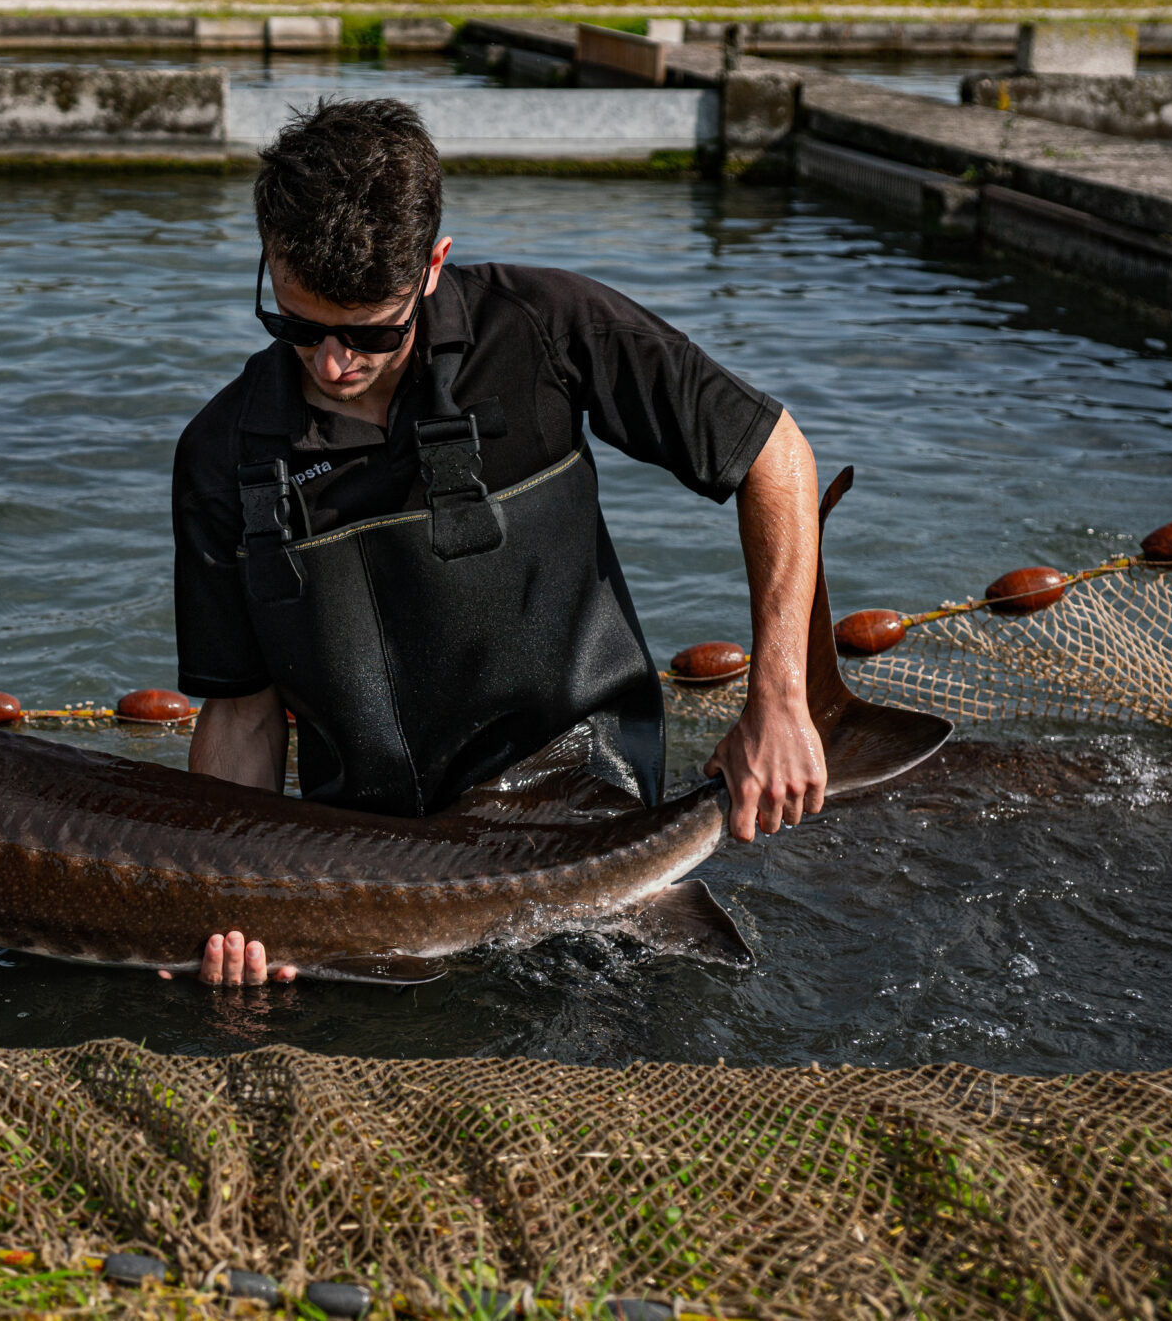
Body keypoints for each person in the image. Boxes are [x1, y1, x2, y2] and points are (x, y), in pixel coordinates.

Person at [167, 98, 823, 985]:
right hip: (365, 886)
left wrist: (780, 701)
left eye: (369, 334)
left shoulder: (547, 329)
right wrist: (223, 907)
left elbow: (774, 454)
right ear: (269, 263)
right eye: (298, 326)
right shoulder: (220, 454)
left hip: (585, 829)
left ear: (433, 267)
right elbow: (243, 715)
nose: (331, 364)